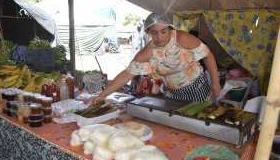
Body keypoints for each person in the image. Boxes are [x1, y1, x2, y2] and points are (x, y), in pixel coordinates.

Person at [90, 12, 221, 104]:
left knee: (198, 123)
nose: (160, 37)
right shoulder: (148, 51)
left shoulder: (182, 38)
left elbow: (207, 54)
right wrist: (102, 96)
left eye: (163, 31)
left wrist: (215, 81)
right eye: (154, 32)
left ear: (169, 29)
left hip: (196, 86)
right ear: (149, 32)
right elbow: (126, 75)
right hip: (171, 91)